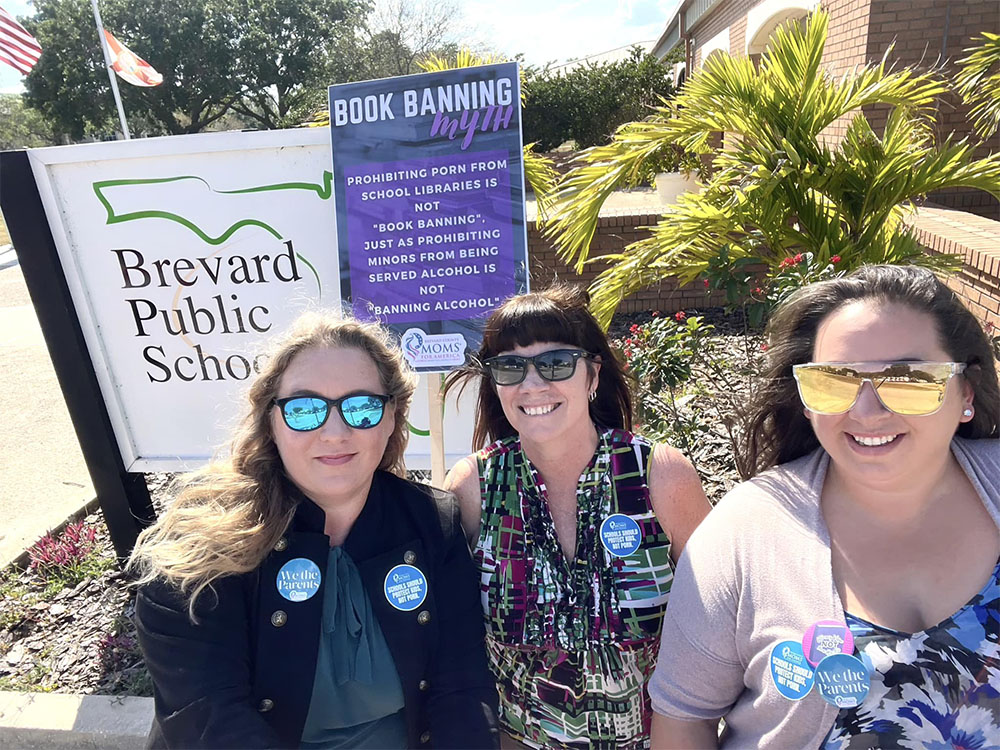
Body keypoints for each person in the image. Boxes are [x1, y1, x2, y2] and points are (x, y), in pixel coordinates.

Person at [648, 264, 1000, 749]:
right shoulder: (741, 536)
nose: (865, 411)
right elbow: (683, 719)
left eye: (908, 379)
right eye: (834, 382)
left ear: (965, 390)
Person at [130, 313, 500, 750]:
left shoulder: (432, 522)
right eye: (305, 410)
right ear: (272, 421)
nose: (334, 432)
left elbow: (462, 687)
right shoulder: (203, 546)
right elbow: (210, 721)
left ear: (391, 418)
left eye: (361, 407)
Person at [444, 285, 711, 750]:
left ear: (592, 376)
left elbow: (719, 623)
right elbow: (450, 640)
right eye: (511, 367)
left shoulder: (659, 476)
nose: (532, 384)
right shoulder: (474, 486)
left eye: (556, 363)